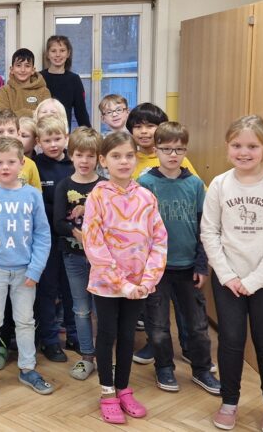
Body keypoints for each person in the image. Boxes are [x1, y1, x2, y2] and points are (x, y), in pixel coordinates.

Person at [201, 115, 263, 432]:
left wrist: (254, 281)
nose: (244, 152)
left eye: (252, 146)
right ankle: (229, 402)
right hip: (228, 280)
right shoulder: (219, 184)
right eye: (237, 145)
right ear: (228, 147)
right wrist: (228, 276)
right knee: (230, 341)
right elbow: (209, 233)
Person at [82, 131, 167, 424]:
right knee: (107, 334)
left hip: (139, 285)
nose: (123, 161)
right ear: (103, 160)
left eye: (129, 155)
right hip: (108, 284)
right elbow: (94, 244)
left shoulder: (146, 196)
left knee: (128, 335)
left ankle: (123, 388)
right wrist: (123, 283)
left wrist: (148, 279)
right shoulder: (98, 195)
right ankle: (107, 391)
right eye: (116, 156)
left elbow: (159, 239)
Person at [137, 122, 220, 396]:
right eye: (167, 149)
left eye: (179, 149)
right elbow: (137, 229)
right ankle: (164, 368)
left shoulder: (195, 185)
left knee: (197, 326)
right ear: (156, 149)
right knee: (158, 326)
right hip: (156, 270)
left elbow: (204, 227)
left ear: (185, 150)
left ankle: (202, 370)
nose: (173, 155)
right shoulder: (145, 183)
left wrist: (201, 264)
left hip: (188, 269)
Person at [0, 137, 53, 396]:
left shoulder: (32, 195)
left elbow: (42, 234)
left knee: (25, 321)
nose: (5, 167)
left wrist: (35, 269)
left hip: (25, 271)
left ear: (22, 163)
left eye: (11, 162)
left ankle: (28, 369)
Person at [53, 127, 104, 380]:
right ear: (71, 155)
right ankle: (87, 356)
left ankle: (104, 356)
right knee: (81, 309)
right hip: (73, 257)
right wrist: (77, 234)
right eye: (79, 155)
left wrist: (93, 239)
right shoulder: (64, 185)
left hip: (103, 261)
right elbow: (59, 222)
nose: (85, 161)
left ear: (99, 158)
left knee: (102, 309)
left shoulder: (104, 186)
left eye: (90, 156)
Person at [33, 116, 76, 364]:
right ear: (38, 142)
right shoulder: (34, 165)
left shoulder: (74, 164)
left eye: (57, 138)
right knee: (48, 290)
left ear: (66, 138)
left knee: (72, 290)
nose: (53, 144)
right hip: (45, 239)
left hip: (72, 238)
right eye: (47, 140)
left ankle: (74, 335)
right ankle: (49, 340)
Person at [0, 110, 41, 192]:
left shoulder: (30, 165)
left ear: (18, 134)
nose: (6, 135)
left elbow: (37, 197)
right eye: (0, 132)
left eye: (11, 131)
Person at [127, 103, 198, 179]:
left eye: (150, 126)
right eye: (138, 127)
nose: (143, 131)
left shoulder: (176, 158)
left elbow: (199, 188)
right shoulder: (127, 160)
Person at [40, 35, 91, 127]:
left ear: (68, 54)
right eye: (53, 51)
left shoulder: (74, 80)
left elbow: (81, 112)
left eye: (62, 50)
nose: (58, 55)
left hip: (63, 134)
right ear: (47, 54)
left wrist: (89, 136)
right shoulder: (39, 77)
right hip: (40, 132)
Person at [0, 48, 49, 118]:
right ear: (12, 70)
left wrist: (15, 114)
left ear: (33, 70)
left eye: (27, 66)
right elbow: (3, 117)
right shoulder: (4, 91)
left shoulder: (44, 91)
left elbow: (46, 117)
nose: (22, 70)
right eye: (18, 65)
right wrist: (30, 113)